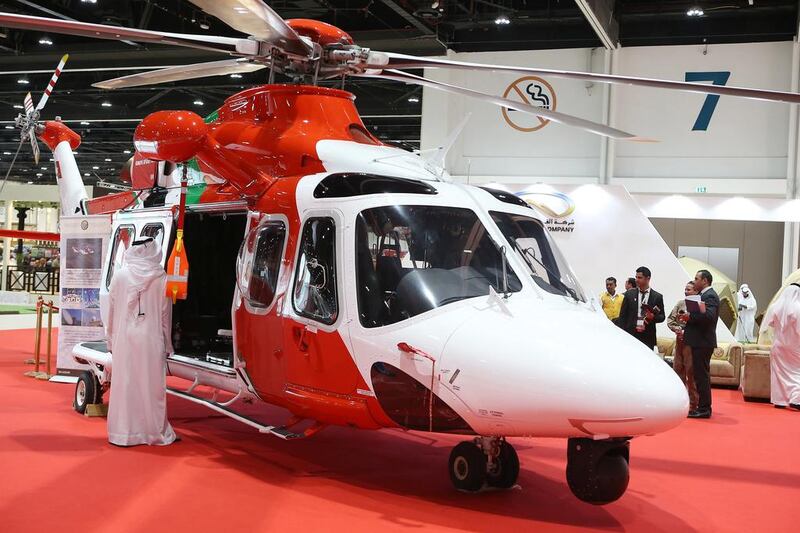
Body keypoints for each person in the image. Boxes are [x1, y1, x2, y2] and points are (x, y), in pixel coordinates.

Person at [106, 238, 177, 446]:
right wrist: (167, 343)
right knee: (151, 386)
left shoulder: (120, 276)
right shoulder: (161, 278)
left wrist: (110, 340)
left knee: (125, 384)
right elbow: (166, 315)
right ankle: (152, 432)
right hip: (151, 339)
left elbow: (111, 313)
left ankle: (122, 434)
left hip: (124, 338)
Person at [680, 269, 719, 419]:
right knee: (700, 375)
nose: (694, 281)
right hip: (700, 341)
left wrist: (691, 317)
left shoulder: (710, 296)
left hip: (703, 341)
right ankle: (703, 407)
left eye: (697, 278)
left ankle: (704, 408)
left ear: (705, 281)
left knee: (702, 376)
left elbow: (709, 316)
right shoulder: (704, 295)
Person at [763, 283, 800, 410]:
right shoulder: (798, 308)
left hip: (778, 345)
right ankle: (796, 398)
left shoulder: (775, 307)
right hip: (795, 346)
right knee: (796, 372)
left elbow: (770, 324)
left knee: (778, 373)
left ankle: (780, 400)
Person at [616, 266, 666, 350]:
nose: (636, 280)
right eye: (636, 277)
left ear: (648, 278)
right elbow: (622, 317)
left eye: (639, 277)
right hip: (630, 335)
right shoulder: (629, 294)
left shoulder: (657, 297)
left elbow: (662, 317)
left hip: (648, 336)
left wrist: (653, 317)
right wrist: (621, 335)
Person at [668, 281, 699, 412]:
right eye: (685, 289)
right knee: (677, 370)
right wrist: (677, 329)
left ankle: (693, 404)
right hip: (679, 341)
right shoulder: (680, 303)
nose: (686, 291)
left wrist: (687, 331)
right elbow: (670, 320)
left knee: (691, 373)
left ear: (696, 291)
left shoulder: (698, 305)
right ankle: (679, 402)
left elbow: (700, 325)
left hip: (691, 343)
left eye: (689, 289)